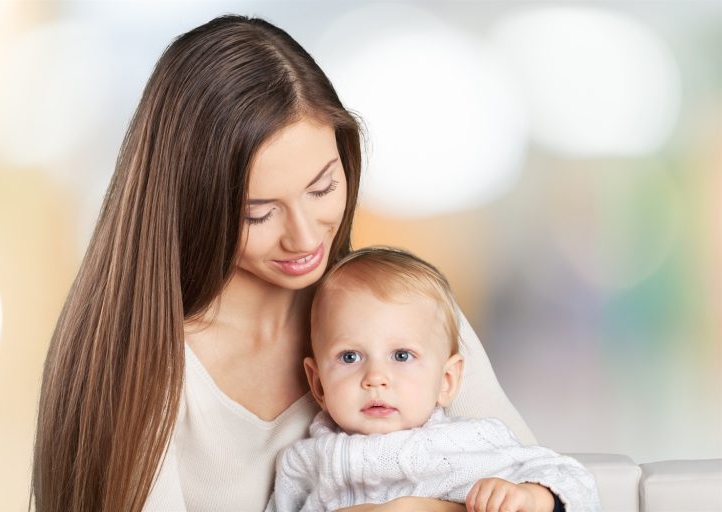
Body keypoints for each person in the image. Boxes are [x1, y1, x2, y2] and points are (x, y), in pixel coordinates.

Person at [32, 14, 537, 512]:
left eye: (322, 187)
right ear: (191, 205)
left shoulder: (400, 310)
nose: (303, 237)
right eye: (259, 213)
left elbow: (541, 481)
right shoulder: (147, 367)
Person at [266, 247, 600, 512]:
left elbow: (577, 484)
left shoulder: (468, 443)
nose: (376, 378)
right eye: (350, 357)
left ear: (446, 380)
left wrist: (529, 497)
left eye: (401, 356)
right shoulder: (302, 463)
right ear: (319, 383)